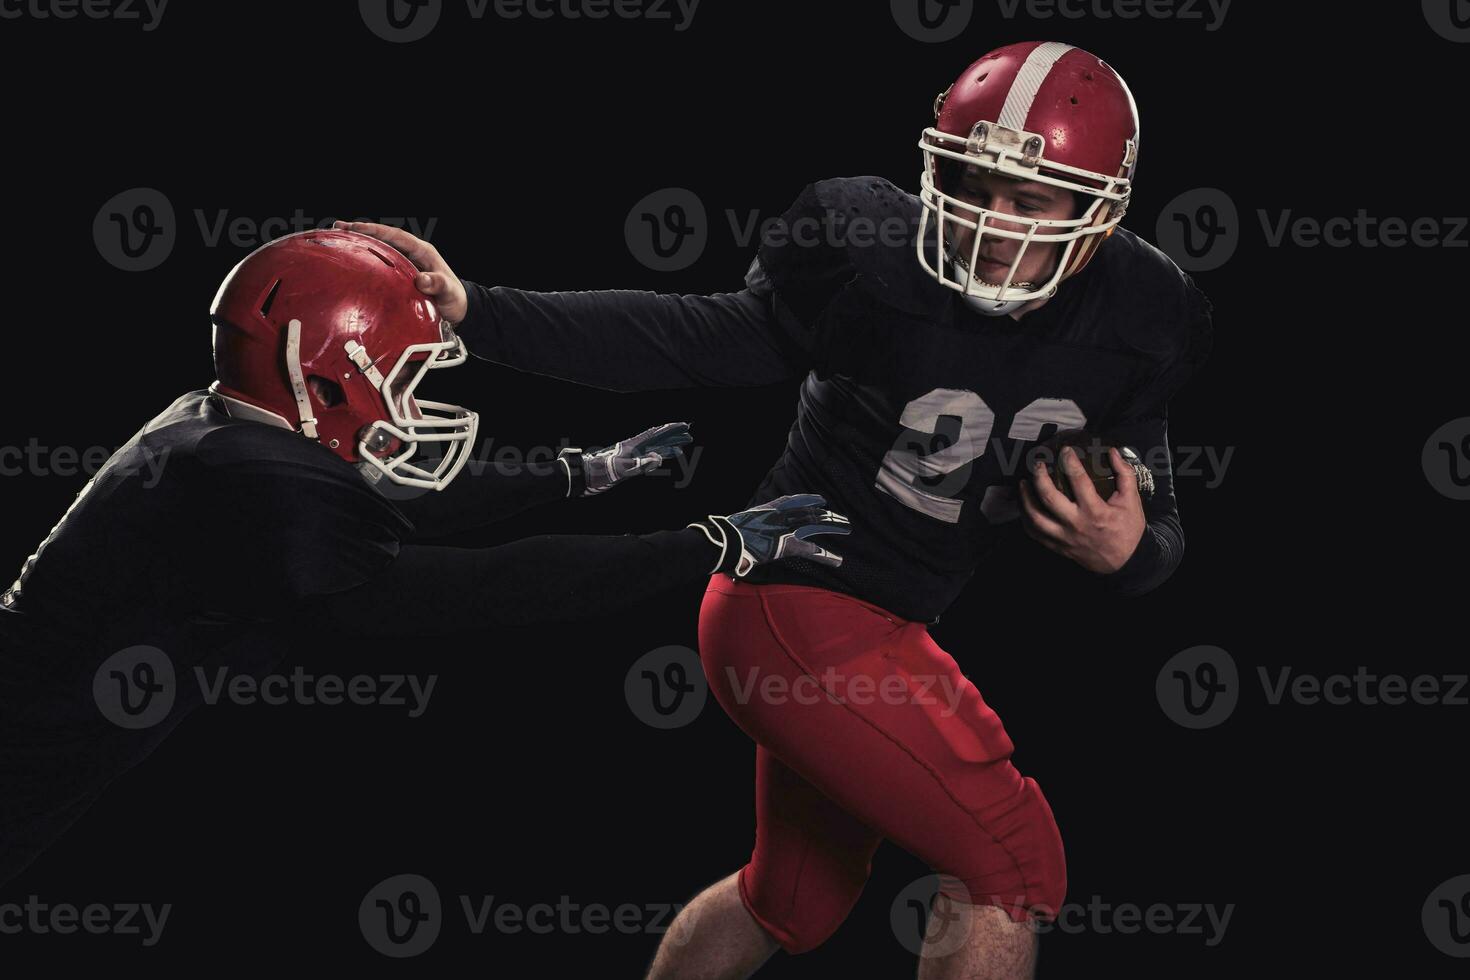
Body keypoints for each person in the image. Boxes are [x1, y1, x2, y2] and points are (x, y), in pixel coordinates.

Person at [342, 39, 1213, 980]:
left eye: (1028, 201)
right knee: (1013, 861)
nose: (988, 222)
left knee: (792, 899)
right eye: (970, 181)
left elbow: (1153, 513)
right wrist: (483, 310)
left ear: (1098, 213)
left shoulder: (1145, 312)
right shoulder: (868, 256)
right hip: (795, 601)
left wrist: (1131, 552)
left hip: (879, 624)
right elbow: (683, 340)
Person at [0, 229, 848, 887]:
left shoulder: (223, 428)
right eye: (403, 380)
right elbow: (489, 587)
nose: (414, 406)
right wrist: (703, 543)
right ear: (322, 382)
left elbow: (395, 496)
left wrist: (581, 474)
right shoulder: (254, 482)